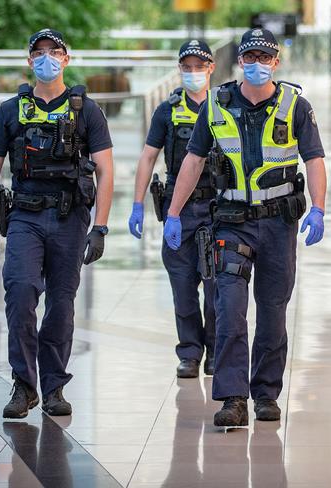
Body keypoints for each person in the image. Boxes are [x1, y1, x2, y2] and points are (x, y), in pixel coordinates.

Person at [164, 28, 327, 426]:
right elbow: (192, 161)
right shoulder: (216, 106)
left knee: (273, 313)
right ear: (239, 62)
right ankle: (233, 398)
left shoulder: (296, 106)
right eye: (249, 58)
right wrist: (174, 212)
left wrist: (320, 208)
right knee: (230, 309)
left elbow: (315, 159)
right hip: (231, 222)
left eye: (264, 58)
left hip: (278, 224)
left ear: (276, 62)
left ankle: (266, 394)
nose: (257, 65)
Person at [0, 29, 114, 418]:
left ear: (66, 59)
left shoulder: (86, 110)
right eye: (39, 52)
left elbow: (105, 170)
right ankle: (24, 385)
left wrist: (100, 227)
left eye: (54, 52)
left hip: (71, 218)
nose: (46, 58)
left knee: (61, 304)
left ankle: (54, 387)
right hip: (25, 217)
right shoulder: (10, 110)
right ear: (29, 60)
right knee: (19, 292)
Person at [128, 40, 217, 379]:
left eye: (200, 66)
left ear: (211, 68)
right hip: (180, 212)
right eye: (187, 66)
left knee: (216, 287)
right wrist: (137, 204)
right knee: (183, 286)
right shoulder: (167, 111)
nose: (193, 72)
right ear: (179, 69)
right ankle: (190, 353)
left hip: (217, 209)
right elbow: (148, 156)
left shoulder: (225, 108)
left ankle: (215, 351)